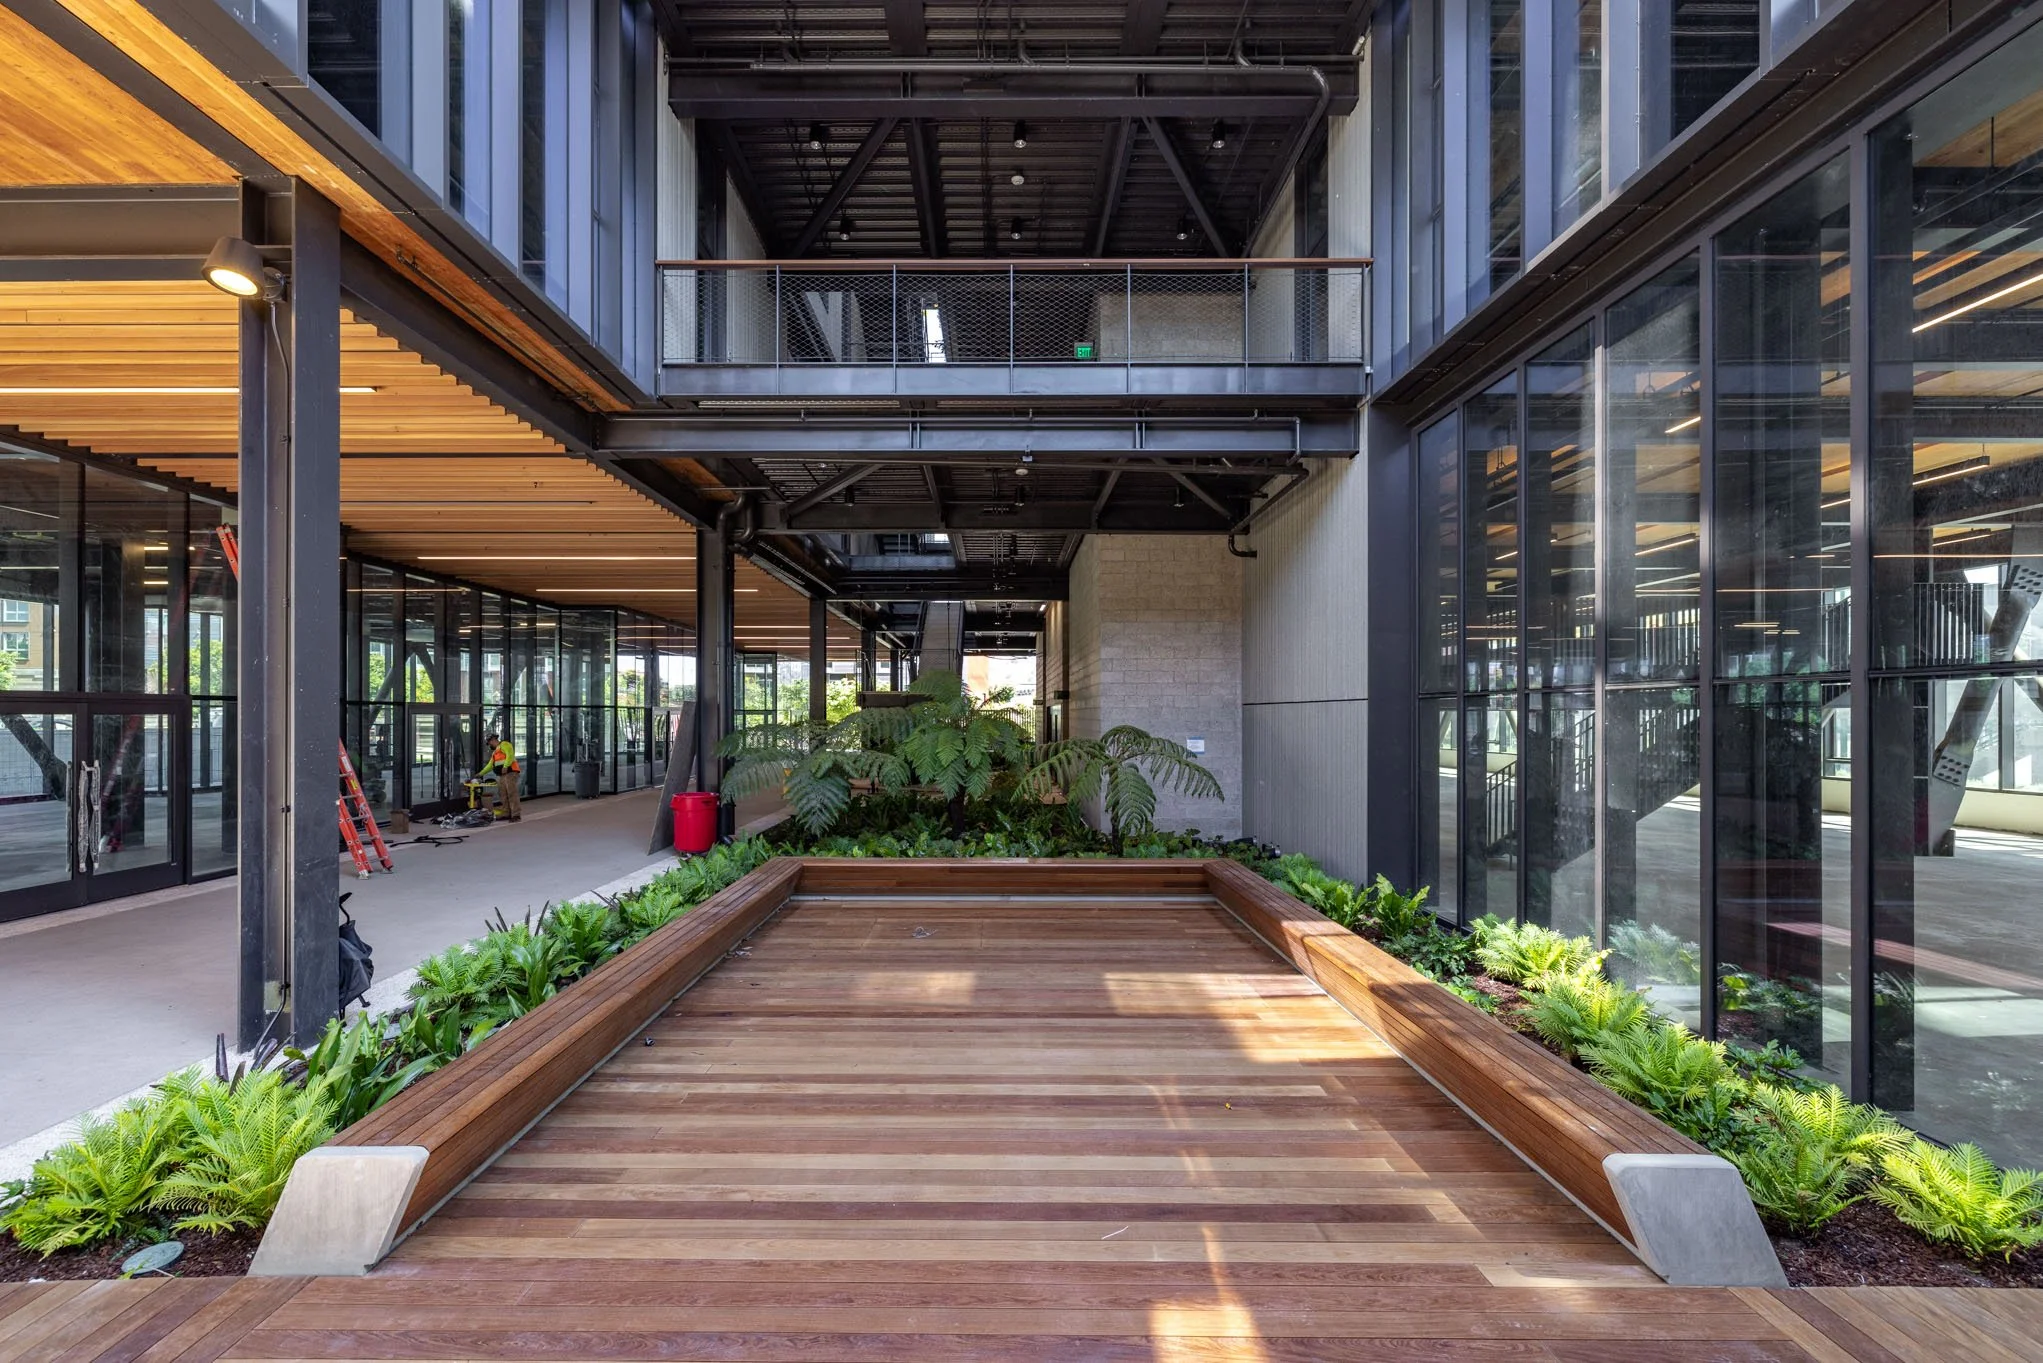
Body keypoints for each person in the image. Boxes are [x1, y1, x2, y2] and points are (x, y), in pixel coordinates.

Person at [476, 730, 522, 822]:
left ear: (493, 740)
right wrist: (480, 774)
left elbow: (510, 755)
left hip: (510, 773)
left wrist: (505, 766)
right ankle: (506, 813)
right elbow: (490, 765)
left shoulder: (505, 745)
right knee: (503, 794)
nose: (489, 745)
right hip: (502, 775)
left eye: (489, 743)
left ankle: (516, 815)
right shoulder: (495, 753)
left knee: (511, 793)